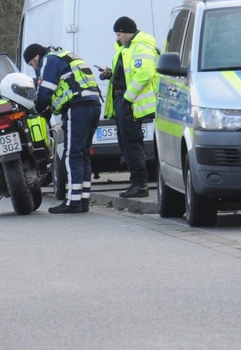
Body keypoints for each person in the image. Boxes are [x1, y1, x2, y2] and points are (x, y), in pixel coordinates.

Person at [24, 44, 102, 214]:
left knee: (71, 154)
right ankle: (83, 199)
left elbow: (45, 91)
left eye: (31, 63)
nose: (34, 67)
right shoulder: (64, 55)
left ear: (36, 56)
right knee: (83, 154)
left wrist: (37, 110)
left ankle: (73, 202)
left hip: (78, 106)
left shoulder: (49, 60)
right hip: (93, 104)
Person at [99, 16, 159, 199]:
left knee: (132, 143)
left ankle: (140, 184)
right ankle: (136, 182)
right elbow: (125, 74)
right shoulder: (124, 49)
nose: (118, 38)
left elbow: (144, 74)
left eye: (119, 34)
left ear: (127, 32)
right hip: (123, 102)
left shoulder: (142, 47)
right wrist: (109, 74)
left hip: (131, 103)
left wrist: (127, 99)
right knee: (125, 143)